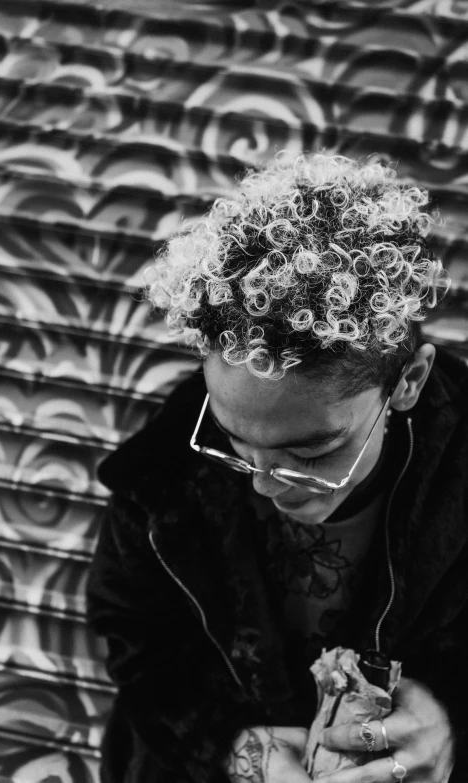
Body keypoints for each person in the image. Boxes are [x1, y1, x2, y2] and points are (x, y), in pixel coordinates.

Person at [87, 153, 467, 783]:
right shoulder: (162, 473)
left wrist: (451, 719)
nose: (265, 484)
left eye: (311, 454)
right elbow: (136, 640)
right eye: (234, 442)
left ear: (408, 382)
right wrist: (228, 750)